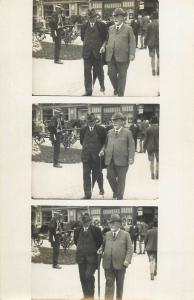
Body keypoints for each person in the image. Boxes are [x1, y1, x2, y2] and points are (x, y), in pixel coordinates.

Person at [101, 8, 136, 96]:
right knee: (111, 74)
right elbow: (107, 40)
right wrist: (103, 46)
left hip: (123, 56)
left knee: (122, 76)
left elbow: (132, 42)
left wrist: (132, 54)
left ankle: (120, 94)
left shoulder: (129, 29)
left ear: (123, 18)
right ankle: (117, 88)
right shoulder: (110, 28)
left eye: (118, 16)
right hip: (111, 56)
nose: (115, 18)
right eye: (114, 16)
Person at [100, 112, 135, 200]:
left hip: (123, 160)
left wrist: (131, 158)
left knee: (121, 179)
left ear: (122, 122)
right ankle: (116, 191)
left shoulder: (128, 133)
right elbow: (106, 144)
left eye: (116, 120)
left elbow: (131, 146)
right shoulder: (109, 132)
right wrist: (102, 150)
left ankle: (120, 197)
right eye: (113, 120)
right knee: (110, 177)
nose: (114, 122)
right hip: (110, 159)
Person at [101, 214, 133, 300]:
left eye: (113, 223)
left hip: (121, 265)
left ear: (119, 224)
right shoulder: (107, 234)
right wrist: (100, 250)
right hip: (108, 265)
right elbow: (102, 247)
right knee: (109, 286)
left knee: (119, 287)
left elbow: (130, 249)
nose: (111, 225)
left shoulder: (126, 235)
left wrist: (127, 260)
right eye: (110, 223)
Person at [74, 213, 103, 300]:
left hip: (92, 259)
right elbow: (76, 242)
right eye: (84, 222)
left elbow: (100, 242)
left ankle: (91, 296)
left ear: (90, 221)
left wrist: (93, 250)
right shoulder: (77, 230)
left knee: (88, 276)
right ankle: (86, 296)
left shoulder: (96, 230)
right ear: (82, 222)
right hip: (80, 258)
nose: (85, 223)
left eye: (87, 221)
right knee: (82, 278)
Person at [81, 9, 108, 96]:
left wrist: (103, 46)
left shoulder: (102, 25)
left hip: (98, 53)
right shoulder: (84, 26)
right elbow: (82, 38)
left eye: (93, 17)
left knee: (99, 71)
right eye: (90, 17)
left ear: (96, 17)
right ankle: (88, 91)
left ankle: (102, 85)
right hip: (87, 53)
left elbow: (106, 39)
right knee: (87, 72)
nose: (91, 19)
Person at [80, 113, 107, 199]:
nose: (91, 123)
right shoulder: (83, 130)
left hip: (97, 157)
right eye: (89, 121)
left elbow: (105, 142)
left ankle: (101, 188)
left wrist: (102, 150)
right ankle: (87, 194)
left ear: (95, 121)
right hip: (86, 157)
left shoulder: (101, 129)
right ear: (87, 121)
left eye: (92, 121)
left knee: (98, 174)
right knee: (86, 176)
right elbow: (82, 142)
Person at [144, 11, 159, 76]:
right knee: (159, 57)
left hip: (151, 44)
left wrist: (145, 44)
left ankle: (153, 70)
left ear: (152, 17)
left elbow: (146, 35)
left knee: (152, 57)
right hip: (159, 43)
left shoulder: (149, 25)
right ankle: (158, 70)